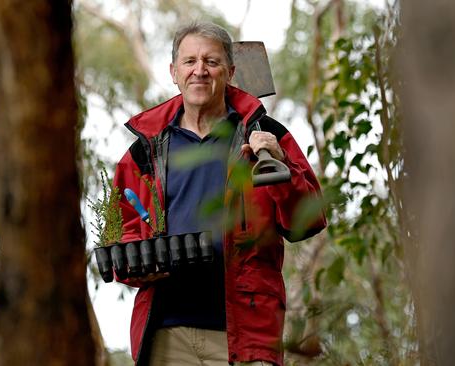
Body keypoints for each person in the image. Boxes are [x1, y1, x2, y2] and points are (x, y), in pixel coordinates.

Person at [112, 21, 327, 366]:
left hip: (245, 329)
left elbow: (308, 221)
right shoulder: (144, 151)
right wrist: (134, 264)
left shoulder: (266, 136)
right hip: (167, 333)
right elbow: (124, 230)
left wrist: (279, 164)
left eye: (211, 62)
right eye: (189, 61)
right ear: (173, 72)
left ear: (231, 71)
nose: (200, 71)